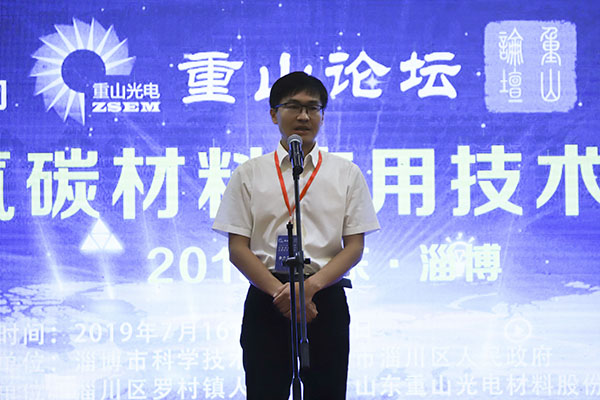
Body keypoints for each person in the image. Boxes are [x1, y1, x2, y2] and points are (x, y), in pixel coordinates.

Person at [212, 71, 380, 399]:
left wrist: (308, 290)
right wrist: (283, 294)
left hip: (324, 297)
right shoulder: (249, 173)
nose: (304, 116)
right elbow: (237, 248)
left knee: (327, 392)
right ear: (274, 114)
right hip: (267, 297)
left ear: (322, 116)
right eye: (293, 106)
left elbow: (355, 246)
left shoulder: (346, 173)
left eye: (313, 108)